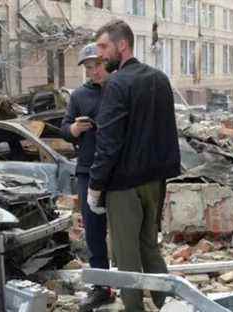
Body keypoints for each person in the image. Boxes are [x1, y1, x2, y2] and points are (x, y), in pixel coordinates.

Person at [87, 19, 181, 311]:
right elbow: (168, 131)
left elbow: (109, 141)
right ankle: (169, 304)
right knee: (149, 246)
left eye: (103, 46)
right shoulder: (159, 78)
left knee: (126, 256)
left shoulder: (117, 83)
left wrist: (95, 186)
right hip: (155, 182)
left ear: (122, 44)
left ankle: (134, 309)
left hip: (124, 187)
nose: (100, 55)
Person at [60, 43, 114, 311]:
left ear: (107, 62)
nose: (93, 72)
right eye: (88, 68)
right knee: (93, 232)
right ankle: (102, 287)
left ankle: (132, 284)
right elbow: (64, 129)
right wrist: (74, 128)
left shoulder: (118, 90)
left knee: (125, 231)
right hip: (87, 171)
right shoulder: (79, 95)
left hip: (119, 173)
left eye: (96, 65)